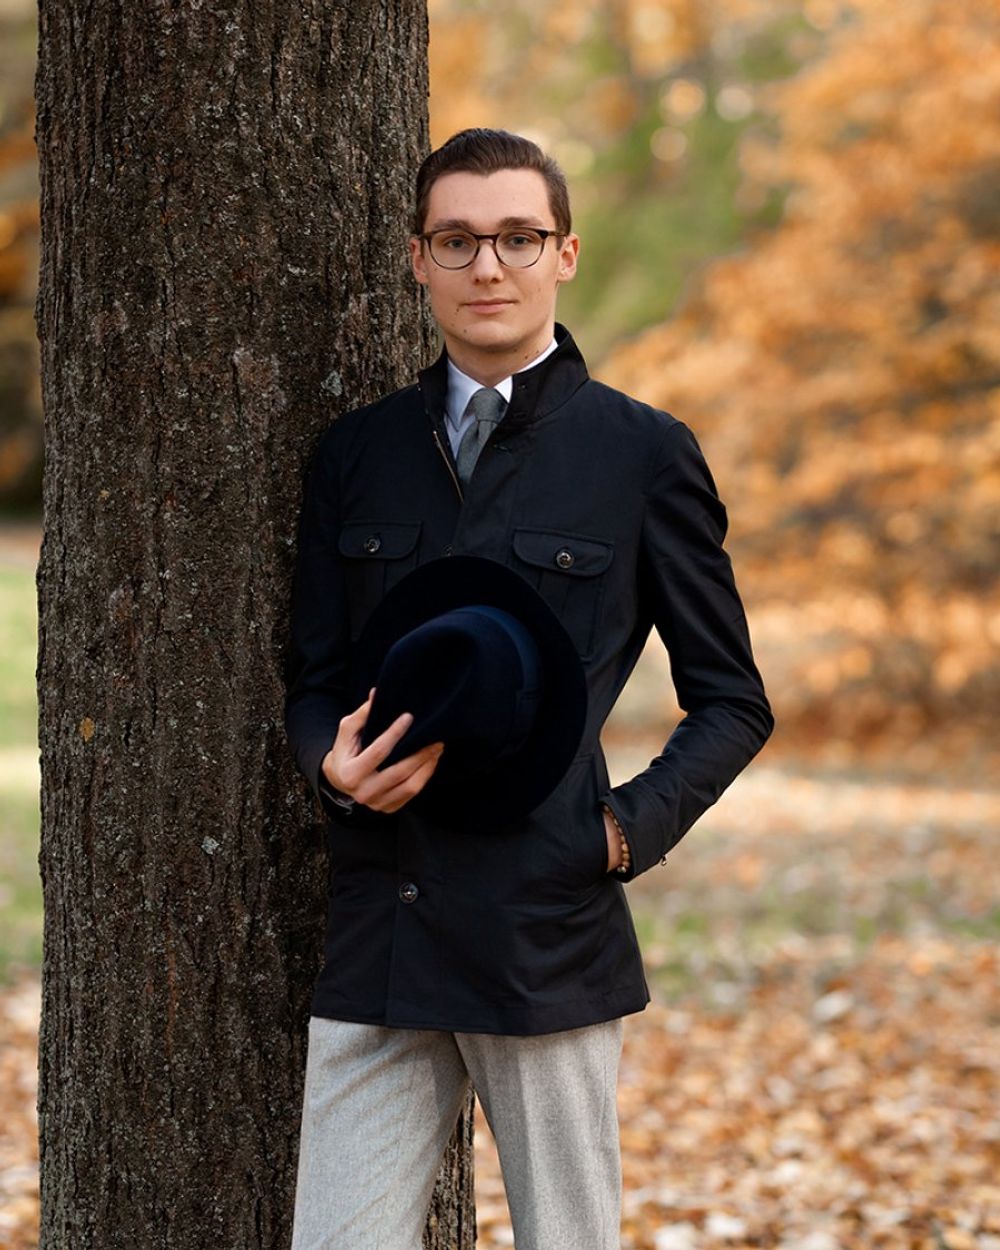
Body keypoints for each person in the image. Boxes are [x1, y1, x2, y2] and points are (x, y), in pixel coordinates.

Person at [284, 127, 773, 1250]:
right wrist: (330, 766)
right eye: (457, 240)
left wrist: (619, 834)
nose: (488, 266)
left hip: (543, 931)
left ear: (565, 254)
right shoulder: (357, 453)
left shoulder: (642, 454)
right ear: (418, 259)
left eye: (517, 237)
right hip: (382, 926)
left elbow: (733, 699)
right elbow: (314, 681)